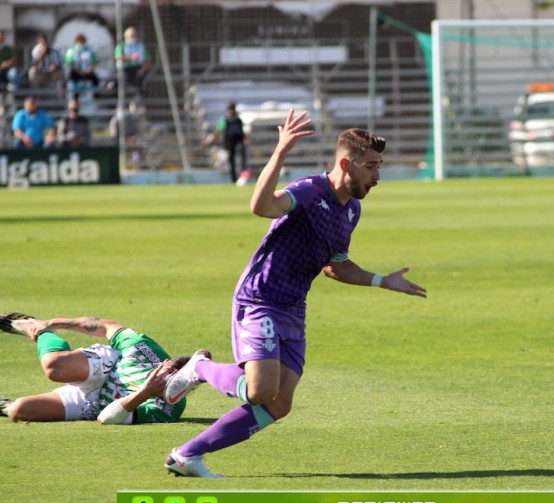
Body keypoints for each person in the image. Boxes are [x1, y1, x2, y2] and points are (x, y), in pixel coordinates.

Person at [161, 109, 428, 477]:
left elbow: (335, 265)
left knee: (280, 402)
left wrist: (383, 281)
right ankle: (200, 369)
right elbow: (261, 206)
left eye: (379, 166)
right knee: (258, 390)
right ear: (346, 163)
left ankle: (187, 455)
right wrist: (281, 150)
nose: (377, 176)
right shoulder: (308, 190)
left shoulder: (350, 211)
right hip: (260, 299)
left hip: (292, 307)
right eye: (371, 166)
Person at [0, 312, 194, 424]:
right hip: (108, 366)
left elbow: (106, 419)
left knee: (19, 410)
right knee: (54, 367)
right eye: (165, 370)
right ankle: (40, 329)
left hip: (99, 404)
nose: (161, 377)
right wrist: (55, 323)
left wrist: (144, 393)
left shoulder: (166, 410)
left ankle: (3, 405)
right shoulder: (143, 349)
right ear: (165, 363)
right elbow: (106, 326)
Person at [203, 101, 251, 186]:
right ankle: (233, 179)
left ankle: (243, 177)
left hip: (238, 142)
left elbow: (242, 132)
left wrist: (246, 139)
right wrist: (209, 140)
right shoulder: (224, 120)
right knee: (231, 161)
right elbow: (218, 131)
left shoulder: (238, 120)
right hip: (229, 143)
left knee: (241, 160)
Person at [114, 27, 151, 94]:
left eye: (135, 35)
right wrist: (130, 57)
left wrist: (145, 66)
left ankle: (140, 90)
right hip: (126, 67)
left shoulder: (141, 45)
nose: (133, 37)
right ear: (126, 36)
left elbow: (147, 59)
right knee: (126, 77)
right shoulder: (121, 46)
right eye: (131, 36)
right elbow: (118, 57)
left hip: (138, 66)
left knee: (142, 74)